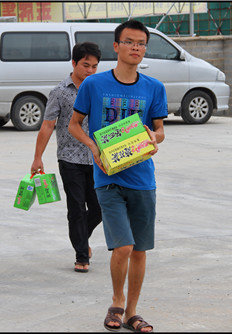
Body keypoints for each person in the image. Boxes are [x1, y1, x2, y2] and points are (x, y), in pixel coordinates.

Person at [69, 20, 167, 332]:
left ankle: (132, 313)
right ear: (116, 46)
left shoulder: (154, 88)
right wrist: (92, 147)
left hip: (142, 177)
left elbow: (160, 130)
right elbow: (74, 124)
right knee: (123, 246)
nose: (135, 48)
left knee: (139, 250)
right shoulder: (93, 85)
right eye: (129, 42)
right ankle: (116, 301)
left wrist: (154, 138)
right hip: (108, 176)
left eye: (140, 43)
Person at [30, 42, 102, 273]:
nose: (90, 71)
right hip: (70, 159)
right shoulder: (60, 92)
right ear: (74, 63)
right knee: (76, 209)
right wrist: (37, 158)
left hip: (98, 158)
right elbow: (48, 125)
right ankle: (82, 255)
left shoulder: (99, 88)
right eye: (85, 65)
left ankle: (82, 236)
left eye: (94, 66)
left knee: (100, 208)